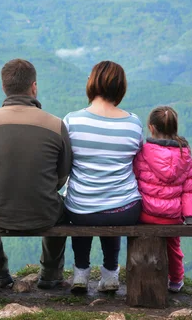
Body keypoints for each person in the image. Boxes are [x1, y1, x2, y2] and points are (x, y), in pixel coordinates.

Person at [0, 58, 72, 289]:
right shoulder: (56, 124)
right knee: (65, 208)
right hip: (45, 212)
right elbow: (62, 175)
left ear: (4, 87)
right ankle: (51, 274)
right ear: (33, 87)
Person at [63, 60, 143, 294]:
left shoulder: (72, 121)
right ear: (121, 87)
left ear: (92, 82)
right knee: (112, 209)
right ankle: (110, 275)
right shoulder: (133, 123)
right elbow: (137, 161)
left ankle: (80, 273)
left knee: (84, 209)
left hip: (80, 208)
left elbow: (65, 163)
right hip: (124, 209)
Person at [133, 106, 192, 293]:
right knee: (174, 248)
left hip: (144, 214)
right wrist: (190, 219)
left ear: (151, 128)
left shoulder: (144, 152)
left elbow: (135, 178)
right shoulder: (184, 155)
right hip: (172, 216)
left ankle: (142, 277)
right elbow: (190, 189)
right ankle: (176, 280)